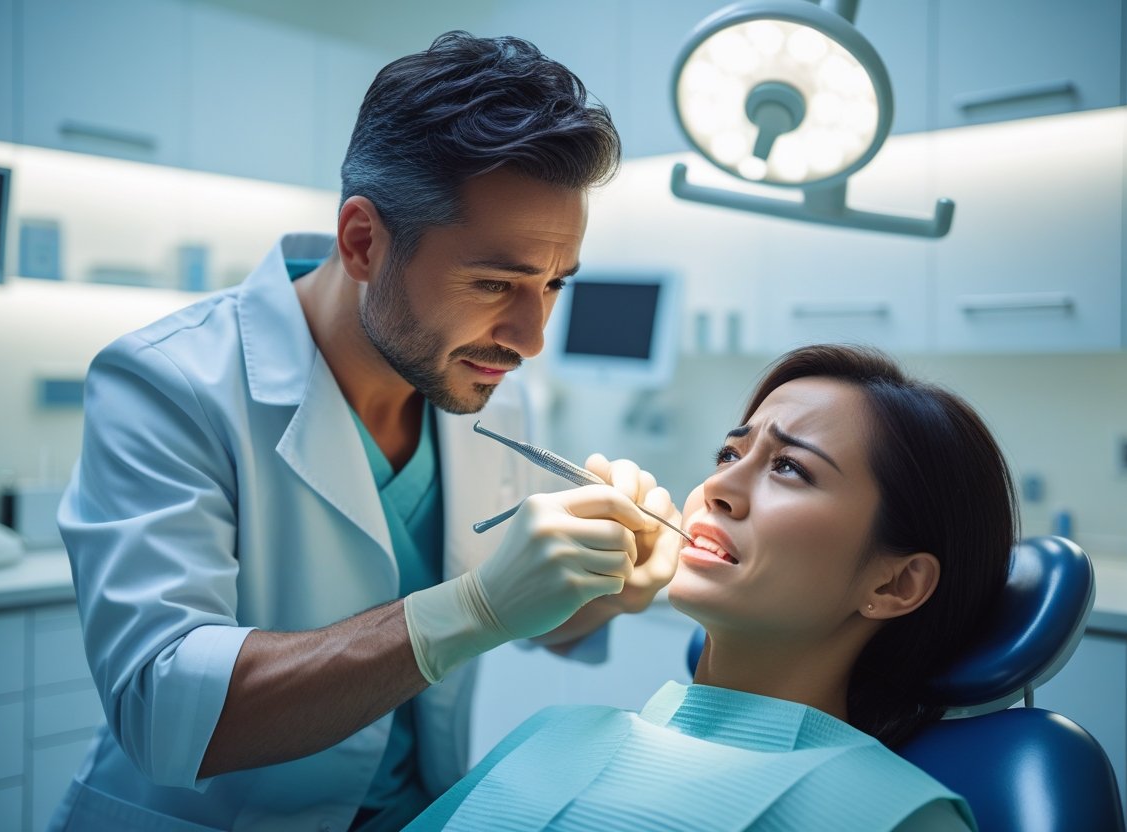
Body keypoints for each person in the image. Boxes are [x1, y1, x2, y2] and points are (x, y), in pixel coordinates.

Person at [50, 32, 681, 832]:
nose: (529, 339)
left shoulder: (485, 390)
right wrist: (472, 610)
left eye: (554, 285)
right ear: (362, 242)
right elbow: (162, 707)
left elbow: (535, 622)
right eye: (494, 282)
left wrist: (605, 588)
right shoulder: (169, 383)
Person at [404, 344, 1019, 831]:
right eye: (730, 455)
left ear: (895, 583)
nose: (718, 488)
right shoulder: (554, 732)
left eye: (789, 467)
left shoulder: (899, 817)